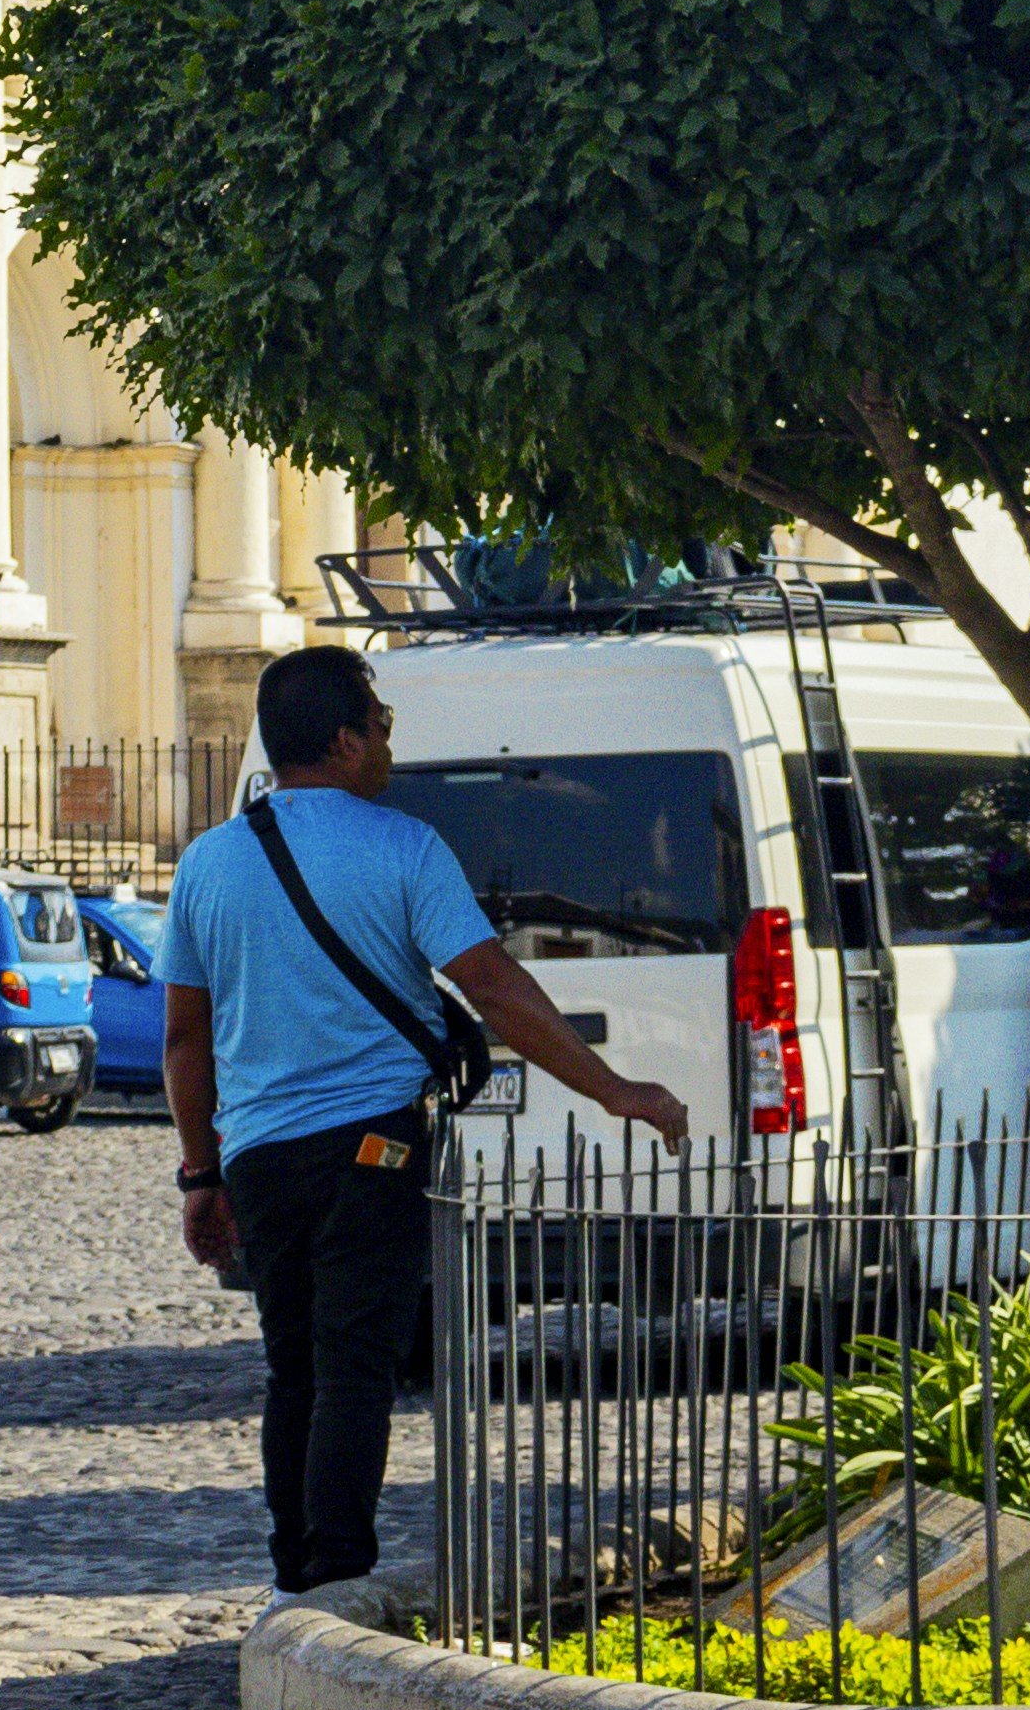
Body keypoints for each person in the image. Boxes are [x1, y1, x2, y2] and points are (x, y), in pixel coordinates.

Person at [163, 645, 689, 1597]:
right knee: (356, 1363)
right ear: (344, 738)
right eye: (381, 719)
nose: (389, 739)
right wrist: (615, 1091)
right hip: (375, 1144)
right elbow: (494, 988)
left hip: (259, 1160)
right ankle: (339, 1579)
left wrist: (201, 1176)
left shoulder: (207, 863)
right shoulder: (405, 848)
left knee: (294, 1367)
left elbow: (184, 1041)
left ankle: (294, 1578)